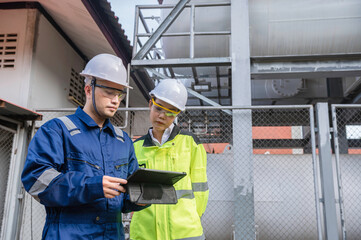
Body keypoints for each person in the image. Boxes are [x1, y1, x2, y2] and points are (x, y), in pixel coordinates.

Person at [21, 53, 148, 240]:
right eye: (109, 92)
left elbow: (125, 201)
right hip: (68, 234)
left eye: (119, 94)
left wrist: (145, 196)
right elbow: (36, 181)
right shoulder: (57, 130)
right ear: (88, 90)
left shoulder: (123, 141)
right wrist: (92, 186)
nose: (115, 100)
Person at [129, 79, 209, 240]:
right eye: (158, 108)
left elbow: (200, 190)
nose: (162, 116)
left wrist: (191, 219)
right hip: (145, 233)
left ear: (178, 113)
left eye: (171, 112)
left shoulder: (191, 143)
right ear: (150, 104)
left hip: (185, 232)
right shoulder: (135, 147)